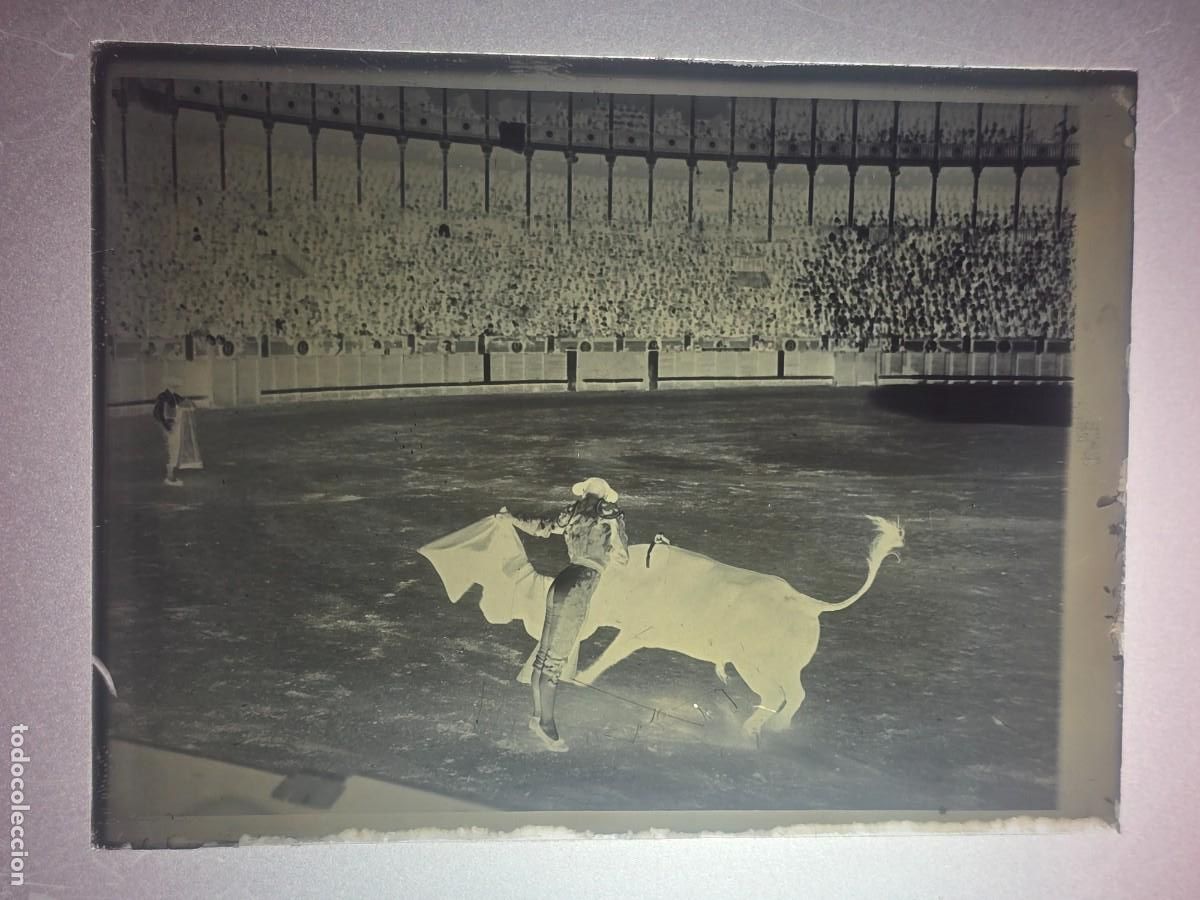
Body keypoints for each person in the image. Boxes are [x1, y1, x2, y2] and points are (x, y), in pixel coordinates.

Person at [498, 477, 630, 752]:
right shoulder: (610, 515)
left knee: (545, 655)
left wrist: (510, 517)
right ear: (606, 496)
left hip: (562, 580)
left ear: (584, 493)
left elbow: (540, 527)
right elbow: (623, 557)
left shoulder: (572, 512)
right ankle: (547, 725)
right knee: (555, 660)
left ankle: (538, 717)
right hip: (580, 585)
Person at [152, 376, 202, 486]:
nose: (175, 388)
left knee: (174, 449)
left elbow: (189, 404)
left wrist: (189, 403)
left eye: (176, 386)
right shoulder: (162, 397)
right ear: (169, 386)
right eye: (173, 386)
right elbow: (158, 414)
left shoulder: (175, 396)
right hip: (168, 425)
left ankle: (171, 475)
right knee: (171, 449)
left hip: (175, 425)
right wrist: (166, 426)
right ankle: (169, 477)